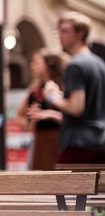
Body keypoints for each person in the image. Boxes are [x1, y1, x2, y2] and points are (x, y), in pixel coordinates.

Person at [43, 12, 105, 164]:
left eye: (64, 31)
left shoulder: (75, 65)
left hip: (79, 142)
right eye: (58, 31)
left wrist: (52, 96)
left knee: (67, 187)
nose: (60, 36)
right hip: (100, 140)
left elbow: (76, 107)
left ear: (80, 34)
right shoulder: (99, 64)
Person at [17, 49, 68, 170]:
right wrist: (33, 119)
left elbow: (72, 117)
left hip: (59, 140)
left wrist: (49, 114)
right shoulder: (34, 92)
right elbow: (20, 118)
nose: (32, 65)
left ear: (49, 64)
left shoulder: (64, 88)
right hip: (40, 141)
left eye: (37, 62)